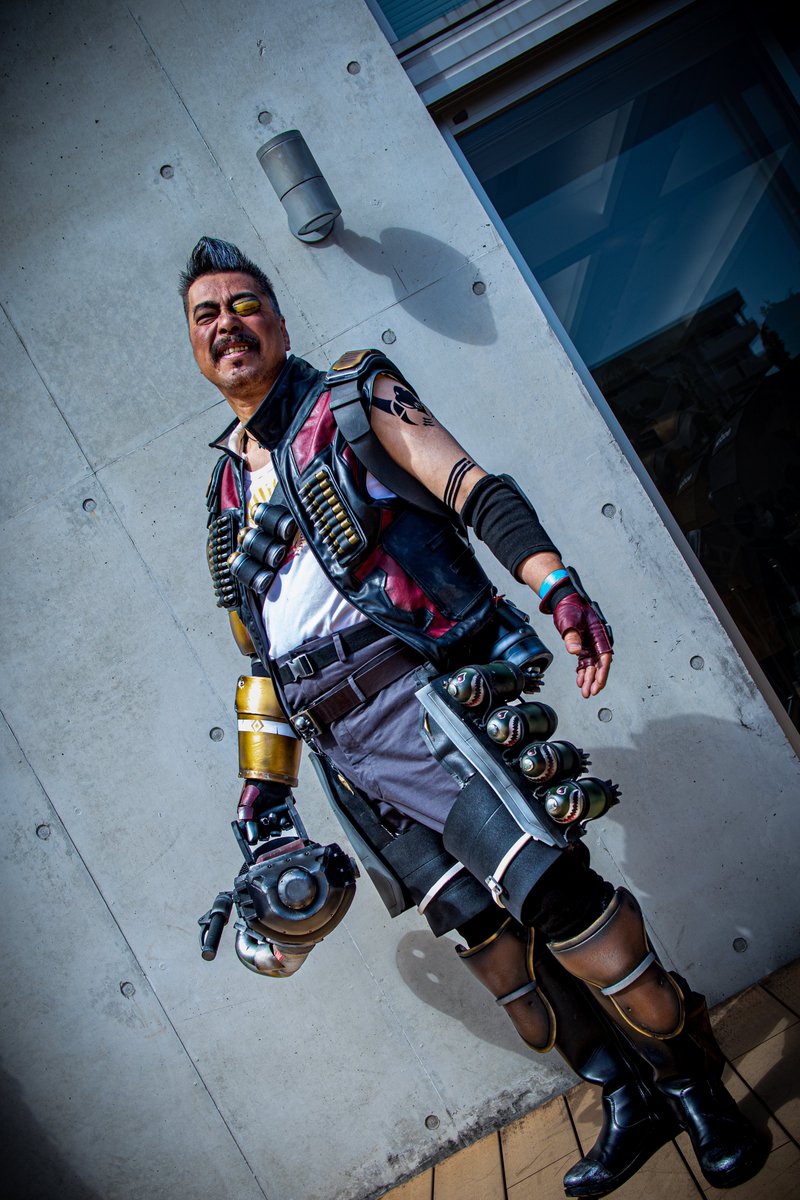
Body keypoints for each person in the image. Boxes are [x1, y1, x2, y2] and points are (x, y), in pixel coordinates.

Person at [183, 236, 767, 1196]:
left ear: (277, 320)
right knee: (500, 961)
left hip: (423, 705)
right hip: (341, 754)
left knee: (564, 906)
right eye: (206, 314)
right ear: (195, 345)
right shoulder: (222, 493)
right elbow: (261, 660)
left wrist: (557, 584)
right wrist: (262, 795)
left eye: (244, 304)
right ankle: (628, 1098)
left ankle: (693, 1084)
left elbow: (471, 486)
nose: (227, 324)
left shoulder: (351, 397)